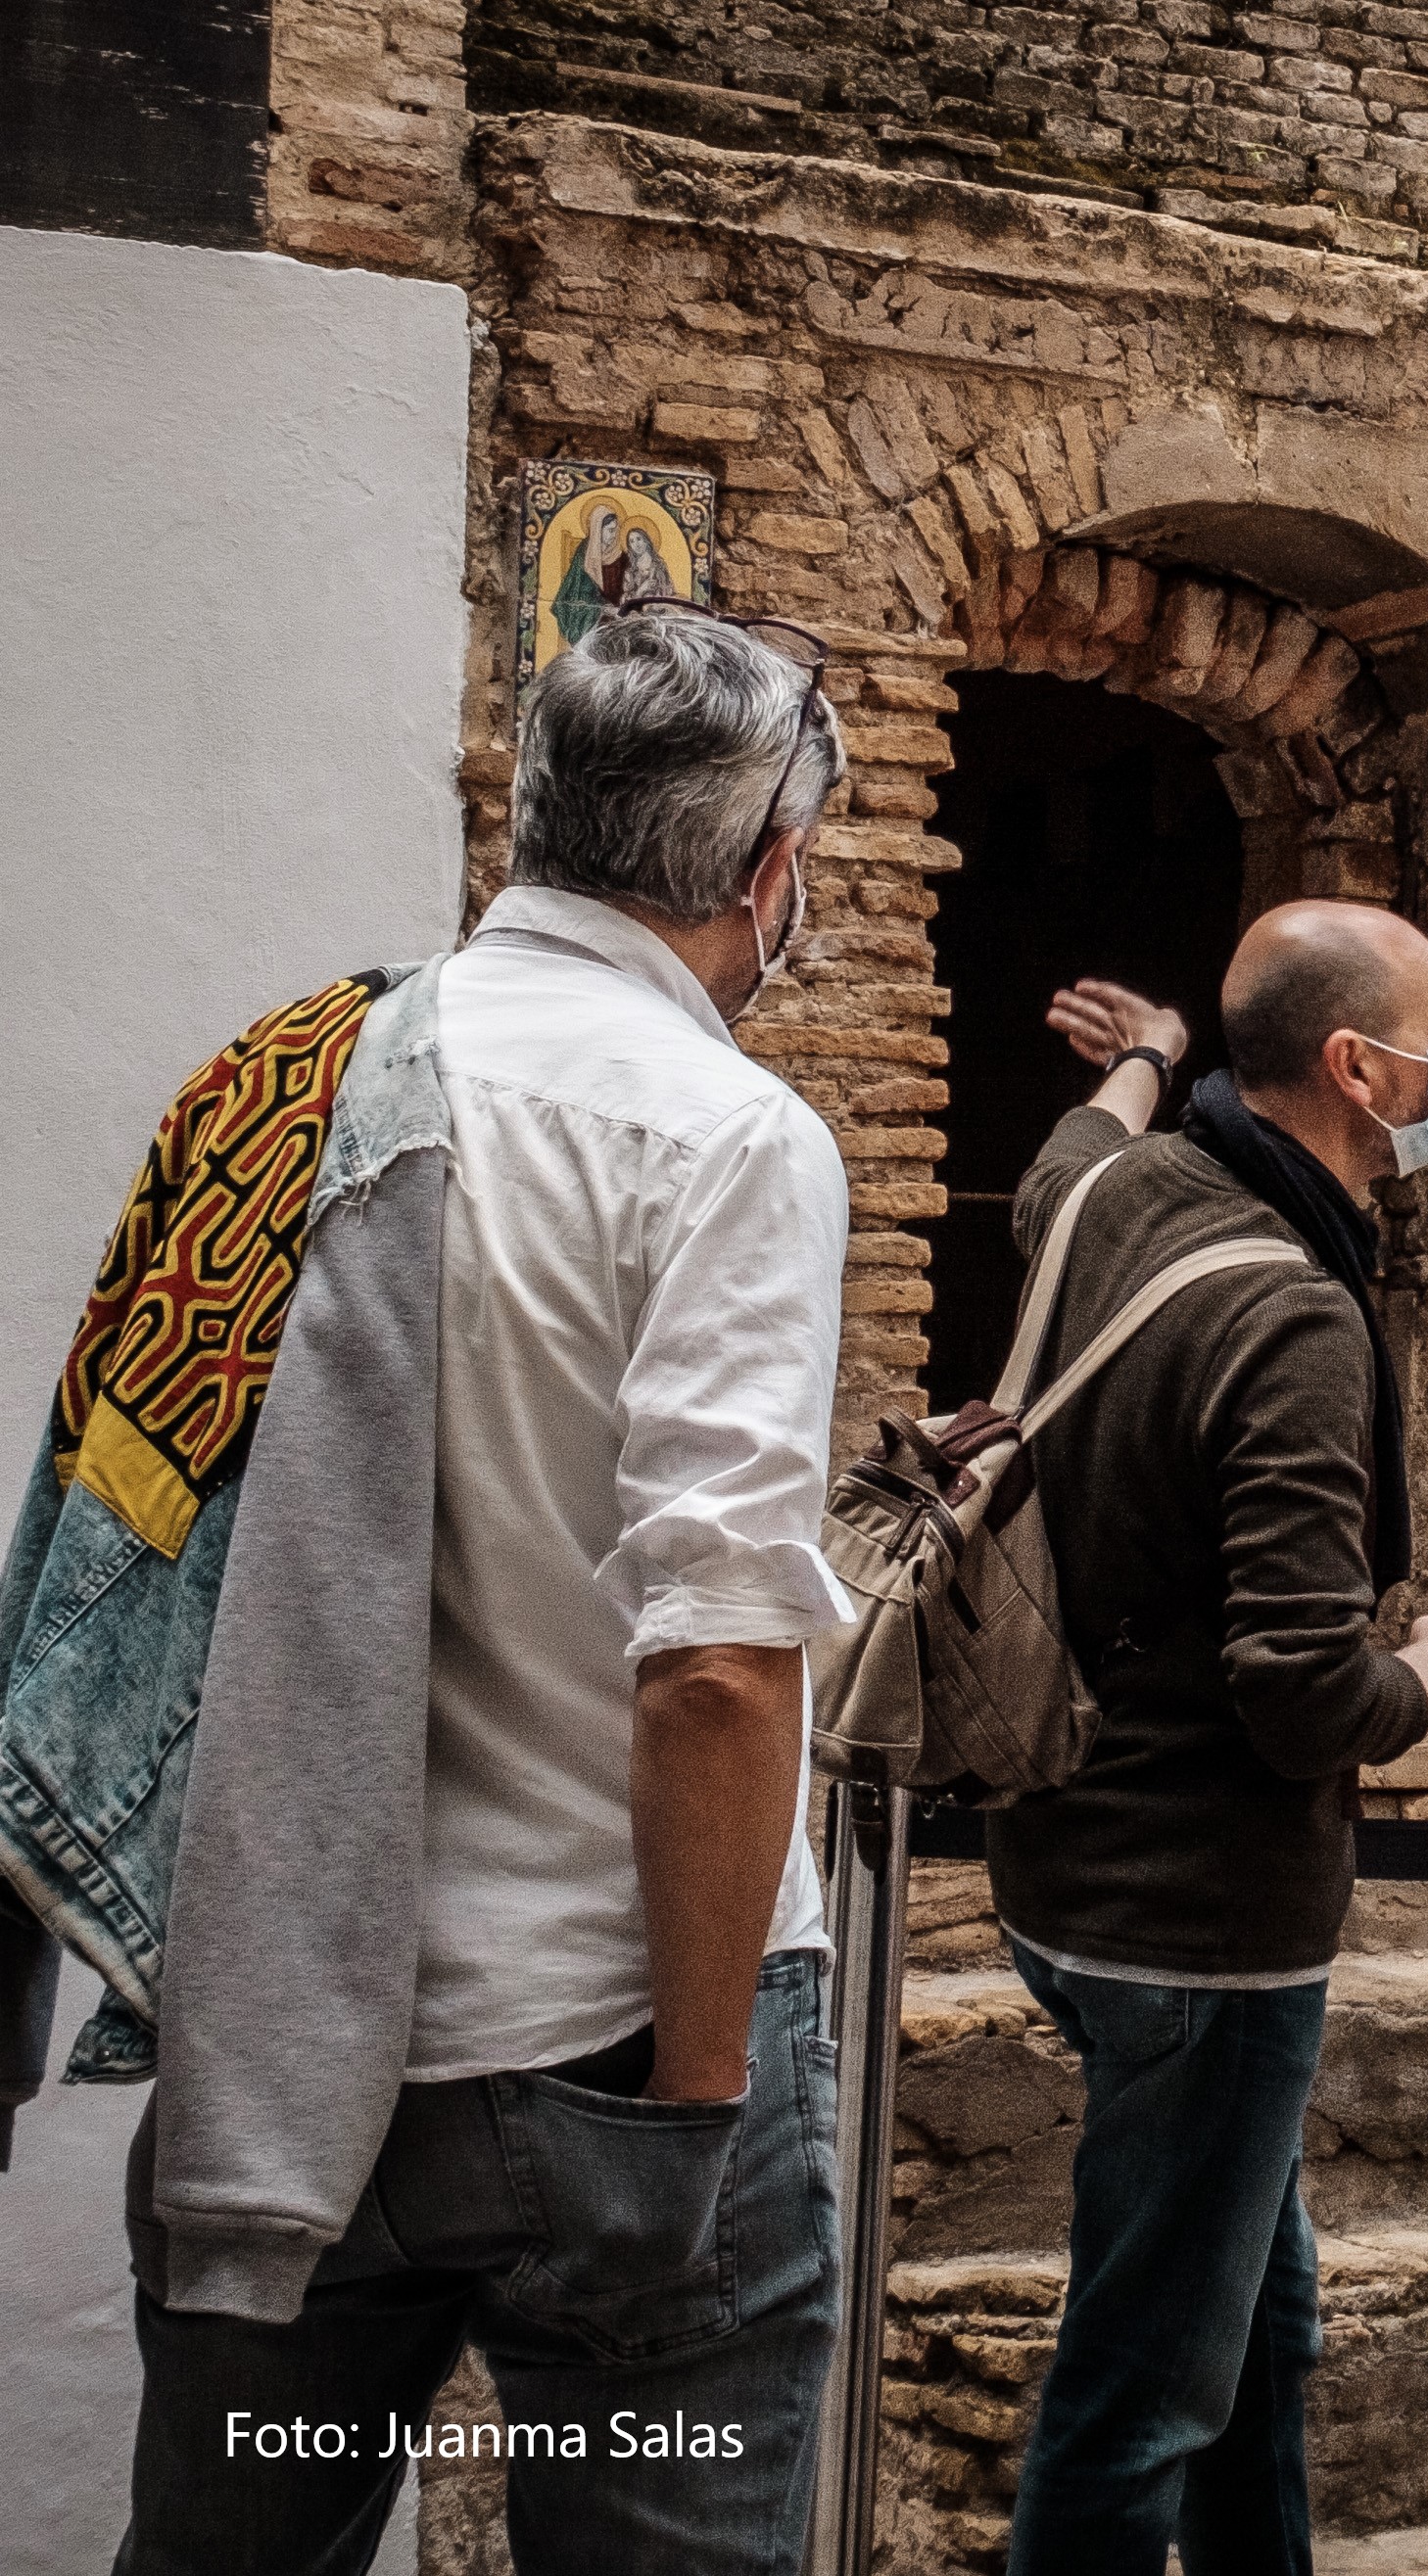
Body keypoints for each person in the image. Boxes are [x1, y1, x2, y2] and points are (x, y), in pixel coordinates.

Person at [93, 602, 857, 2569]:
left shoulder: (285, 1084)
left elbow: (130, 1539)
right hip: (625, 2046)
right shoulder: (723, 1135)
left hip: (287, 2056)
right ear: (770, 871)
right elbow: (716, 1664)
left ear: (533, 809)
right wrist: (699, 2108)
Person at [987, 909, 1428, 2576]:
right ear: (1359, 1070)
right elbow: (1299, 1690)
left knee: (1258, 2335)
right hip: (1198, 1927)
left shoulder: (1107, 1198)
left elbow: (1070, 1143)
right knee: (1138, 2401)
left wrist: (1142, 1057)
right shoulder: (1292, 1320)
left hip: (1061, 1864)